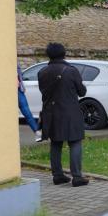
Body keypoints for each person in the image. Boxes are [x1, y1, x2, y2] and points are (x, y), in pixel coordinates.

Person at [38, 43, 89, 187]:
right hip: (70, 112)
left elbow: (44, 92)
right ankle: (77, 177)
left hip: (51, 112)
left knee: (55, 143)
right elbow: (82, 92)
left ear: (48, 55)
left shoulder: (42, 72)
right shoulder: (71, 71)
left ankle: (58, 175)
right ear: (64, 53)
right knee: (75, 142)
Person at [17, 64, 42, 142]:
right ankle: (37, 131)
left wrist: (20, 84)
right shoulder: (14, 63)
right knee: (26, 112)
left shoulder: (14, 64)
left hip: (18, 90)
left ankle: (37, 131)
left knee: (27, 112)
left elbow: (19, 77)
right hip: (18, 90)